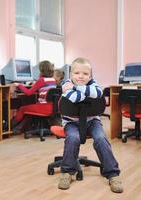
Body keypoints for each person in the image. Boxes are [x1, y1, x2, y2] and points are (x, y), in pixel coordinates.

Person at [58, 57, 123, 193]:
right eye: (76, 73)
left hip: (92, 121)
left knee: (101, 138)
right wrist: (86, 92)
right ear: (70, 74)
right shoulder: (65, 85)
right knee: (73, 138)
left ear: (90, 75)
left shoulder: (91, 84)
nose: (80, 76)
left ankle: (112, 174)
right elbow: (76, 98)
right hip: (71, 122)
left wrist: (76, 88)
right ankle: (67, 172)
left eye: (85, 74)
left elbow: (98, 93)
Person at [12, 60, 56, 133]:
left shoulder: (41, 80)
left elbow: (28, 93)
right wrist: (35, 84)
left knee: (22, 109)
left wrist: (18, 85)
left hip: (43, 108)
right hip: (52, 108)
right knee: (28, 108)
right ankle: (17, 129)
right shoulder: (53, 80)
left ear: (42, 70)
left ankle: (10, 127)